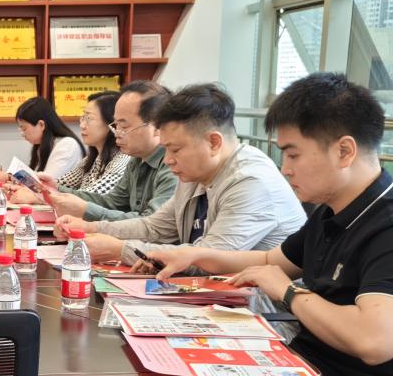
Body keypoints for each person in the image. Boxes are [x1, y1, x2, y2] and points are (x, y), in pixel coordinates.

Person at [149, 73, 393, 376]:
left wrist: (289, 292)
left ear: (344, 151)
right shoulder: (332, 210)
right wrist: (197, 254)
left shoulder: (385, 225)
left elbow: (374, 340)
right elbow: (270, 259)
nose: (285, 168)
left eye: (293, 154)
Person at [55, 83, 305, 264]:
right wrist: (91, 227)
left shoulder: (250, 181)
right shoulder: (195, 174)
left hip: (259, 311)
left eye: (175, 150)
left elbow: (209, 260)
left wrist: (120, 250)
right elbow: (155, 227)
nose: (168, 160)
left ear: (214, 142)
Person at [40, 80, 178, 221]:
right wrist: (57, 188)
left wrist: (86, 211)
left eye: (124, 127)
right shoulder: (136, 160)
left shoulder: (173, 165)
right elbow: (113, 202)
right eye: (115, 125)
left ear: (157, 126)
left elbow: (152, 223)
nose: (116, 133)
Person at [10, 90, 130, 203]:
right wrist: (49, 185)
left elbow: (90, 198)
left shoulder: (122, 160)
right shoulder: (93, 158)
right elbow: (62, 184)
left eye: (89, 118)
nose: (82, 125)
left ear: (112, 123)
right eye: (83, 118)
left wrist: (39, 195)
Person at [2, 96, 85, 182]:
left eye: (24, 128)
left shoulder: (67, 145)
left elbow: (46, 183)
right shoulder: (42, 146)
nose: (22, 134)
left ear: (41, 125)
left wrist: (9, 177)